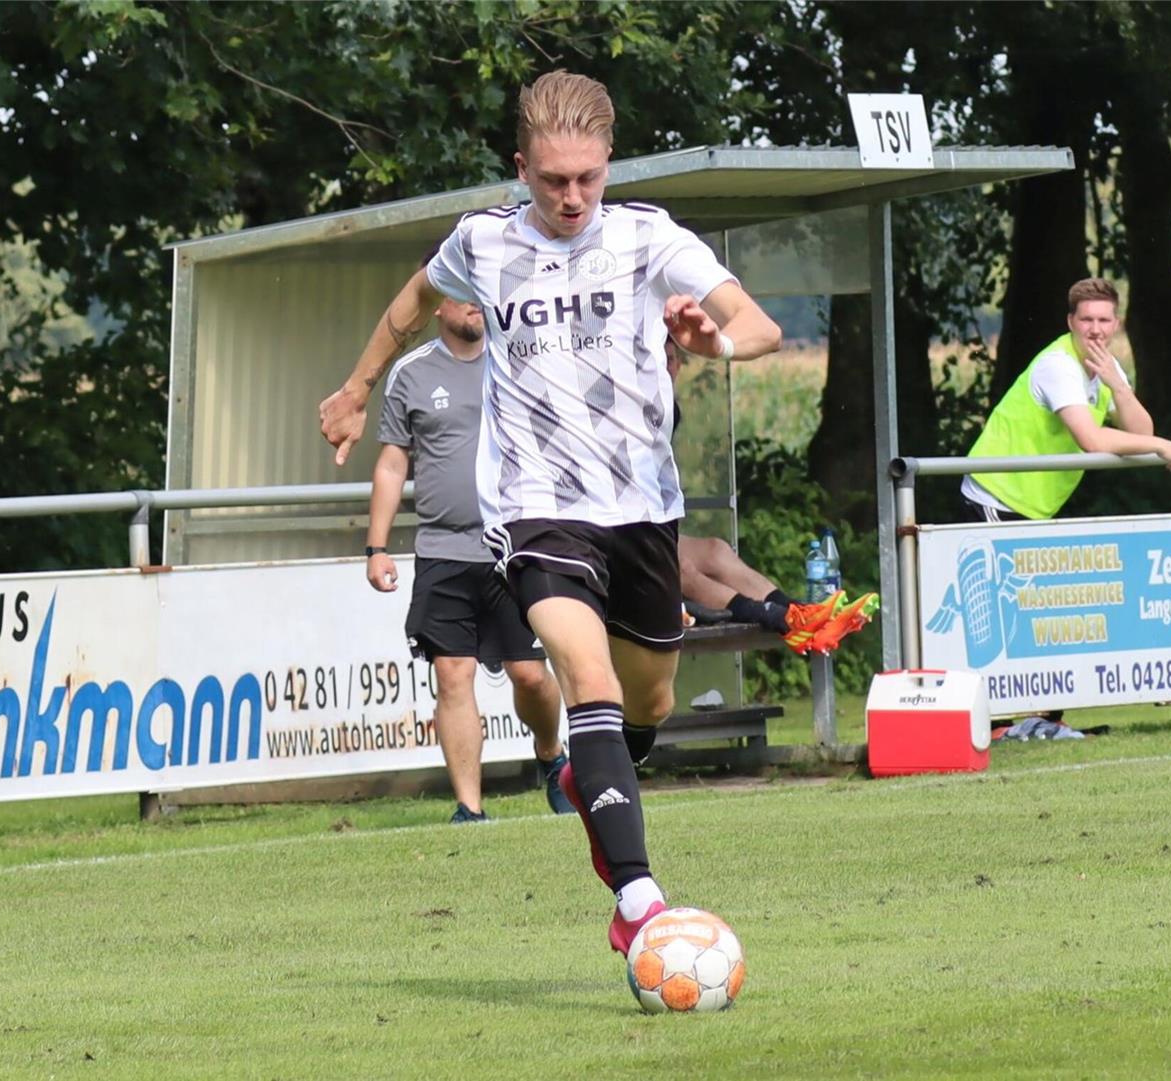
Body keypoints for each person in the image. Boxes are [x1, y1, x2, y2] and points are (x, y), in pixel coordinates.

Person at [320, 71, 782, 955]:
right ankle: (641, 897)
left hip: (642, 510)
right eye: (552, 179)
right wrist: (355, 386)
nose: (572, 197)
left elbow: (757, 328)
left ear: (610, 161)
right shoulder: (482, 243)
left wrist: (710, 341)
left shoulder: (651, 239)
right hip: (536, 511)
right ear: (520, 165)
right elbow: (409, 303)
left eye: (588, 178)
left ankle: (589, 774)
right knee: (586, 678)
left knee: (648, 700)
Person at [364, 289, 573, 823]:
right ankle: (470, 808)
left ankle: (550, 754)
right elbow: (392, 464)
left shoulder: (518, 359)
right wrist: (377, 547)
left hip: (514, 546)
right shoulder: (410, 373)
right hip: (442, 550)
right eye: (462, 297)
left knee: (530, 675)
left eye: (481, 296)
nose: (476, 306)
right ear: (438, 307)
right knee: (452, 674)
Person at [961, 276, 1171, 730]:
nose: (1095, 329)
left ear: (1115, 323)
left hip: (1031, 505)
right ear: (1071, 323)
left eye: (1103, 320)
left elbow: (1139, 427)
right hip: (995, 495)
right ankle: (1003, 721)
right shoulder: (1058, 365)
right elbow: (1090, 438)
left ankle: (1040, 719)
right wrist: (1159, 445)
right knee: (1006, 620)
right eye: (1087, 320)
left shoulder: (1105, 367)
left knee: (1039, 614)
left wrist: (1119, 388)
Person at [663, 339, 877, 654]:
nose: (671, 367)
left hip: (646, 531)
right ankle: (783, 621)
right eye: (663, 359)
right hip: (611, 543)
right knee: (679, 567)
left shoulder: (668, 407)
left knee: (715, 550)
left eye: (674, 359)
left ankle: (798, 612)